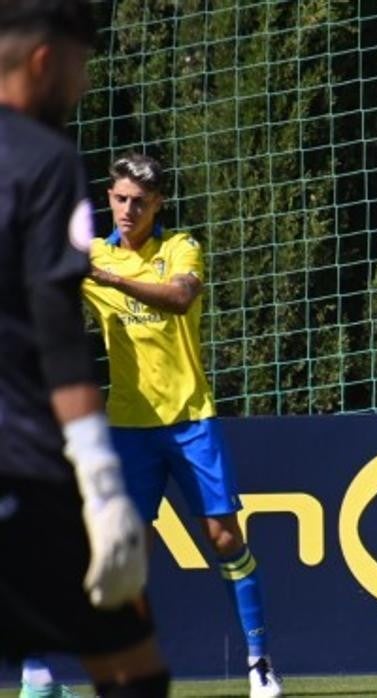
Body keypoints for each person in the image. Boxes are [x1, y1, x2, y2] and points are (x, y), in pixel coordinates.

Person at [0, 2, 170, 696]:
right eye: (80, 68)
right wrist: (101, 485)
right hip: (28, 470)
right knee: (133, 671)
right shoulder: (43, 159)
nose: (83, 86)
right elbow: (57, 328)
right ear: (46, 61)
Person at [81, 154, 282, 697]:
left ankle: (259, 660)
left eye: (140, 202)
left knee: (224, 537)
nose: (128, 209)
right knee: (127, 556)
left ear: (158, 204)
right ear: (109, 198)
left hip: (192, 419)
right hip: (128, 424)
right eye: (120, 199)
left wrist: (103, 276)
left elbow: (179, 298)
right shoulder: (91, 254)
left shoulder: (180, 248)